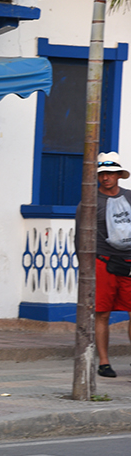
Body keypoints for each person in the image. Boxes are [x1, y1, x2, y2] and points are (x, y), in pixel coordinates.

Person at [92, 152, 131, 378]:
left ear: (119, 175)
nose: (106, 177)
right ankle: (104, 362)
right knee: (102, 313)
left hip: (129, 260)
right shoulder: (90, 201)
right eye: (102, 173)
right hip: (103, 261)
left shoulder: (129, 197)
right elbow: (81, 237)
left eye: (110, 173)